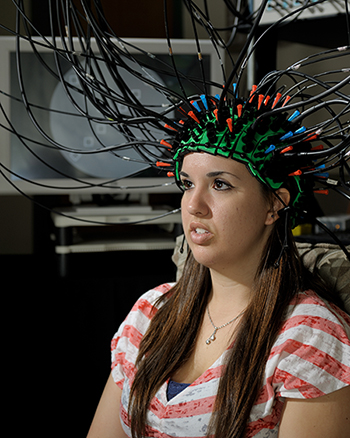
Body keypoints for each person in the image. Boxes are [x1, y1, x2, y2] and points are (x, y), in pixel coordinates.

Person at [86, 93, 350, 438]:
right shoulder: (150, 313)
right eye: (187, 184)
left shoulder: (308, 337)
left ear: (275, 203)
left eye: (220, 184)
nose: (193, 205)